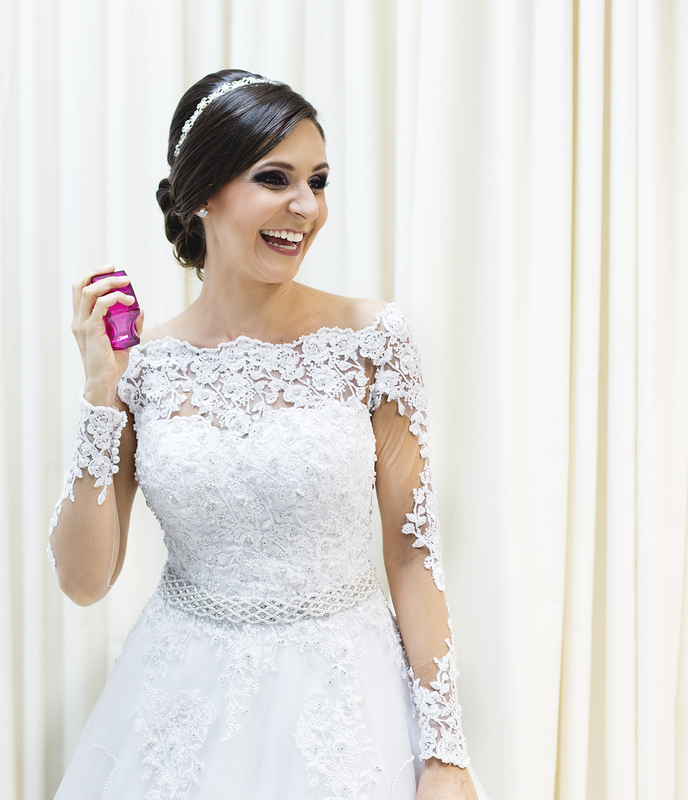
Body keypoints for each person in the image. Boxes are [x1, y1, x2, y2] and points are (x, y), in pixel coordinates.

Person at [46, 69, 486, 800]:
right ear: (202, 193)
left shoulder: (371, 340)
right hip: (181, 706)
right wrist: (102, 392)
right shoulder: (143, 367)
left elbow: (412, 553)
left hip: (346, 705)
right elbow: (83, 582)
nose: (306, 207)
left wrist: (444, 751)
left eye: (318, 181)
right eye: (275, 178)